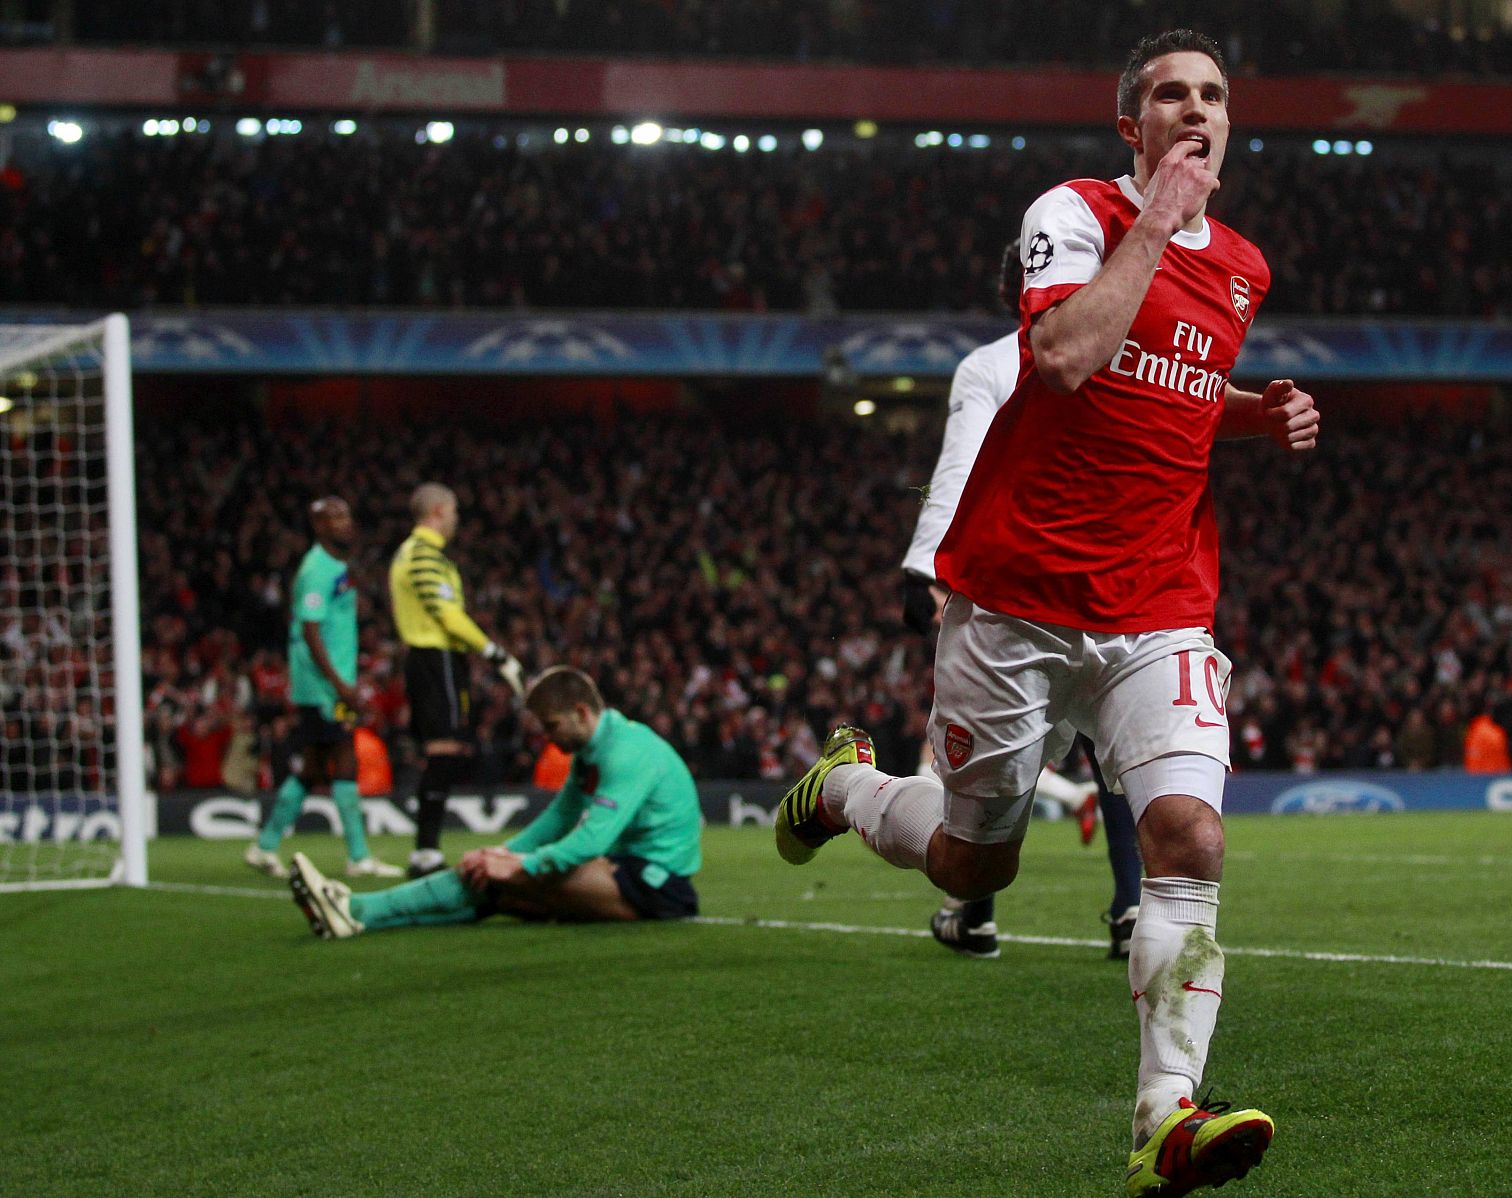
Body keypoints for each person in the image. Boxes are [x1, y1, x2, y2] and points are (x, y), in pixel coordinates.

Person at [775, 30, 1319, 1198]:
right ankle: (845, 787)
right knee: (979, 863)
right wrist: (1154, 221)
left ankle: (1166, 1116)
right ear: (1130, 124)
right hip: (1016, 596)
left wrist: (1249, 416)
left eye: (1212, 96)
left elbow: (1161, 391)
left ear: (1232, 122)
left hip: (1159, 601)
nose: (1193, 110)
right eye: (1169, 95)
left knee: (1192, 840)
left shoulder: (1243, 267)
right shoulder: (1071, 213)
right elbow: (1070, 354)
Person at [903, 239, 1145, 961]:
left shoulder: (993, 365)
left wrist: (932, 570)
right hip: (1113, 578)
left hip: (1017, 588)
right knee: (1116, 747)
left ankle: (973, 910)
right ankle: (1132, 907)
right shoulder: (1125, 358)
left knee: (1000, 753)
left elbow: (962, 463)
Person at [287, 666, 702, 937]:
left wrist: (520, 864)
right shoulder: (592, 751)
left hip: (658, 885)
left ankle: (357, 908)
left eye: (552, 726)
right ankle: (356, 916)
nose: (547, 738)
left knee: (505, 877)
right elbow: (559, 817)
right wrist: (502, 852)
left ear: (580, 712)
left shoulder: (626, 753)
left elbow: (592, 838)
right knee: (493, 887)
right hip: (623, 871)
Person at [246, 497, 403, 879]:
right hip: (321, 687)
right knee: (344, 757)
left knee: (315, 766)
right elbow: (309, 631)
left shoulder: (337, 565)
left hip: (329, 683)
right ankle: (358, 856)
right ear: (318, 526)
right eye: (334, 518)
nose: (345, 523)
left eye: (347, 515)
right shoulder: (316, 569)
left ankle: (264, 846)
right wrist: (339, 685)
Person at [389, 482, 526, 877]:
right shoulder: (423, 555)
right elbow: (447, 614)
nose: (456, 520)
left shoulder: (417, 555)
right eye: (453, 512)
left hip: (435, 659)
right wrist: (495, 654)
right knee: (444, 751)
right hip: (435, 657)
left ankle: (426, 851)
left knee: (443, 751)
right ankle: (425, 853)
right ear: (436, 511)